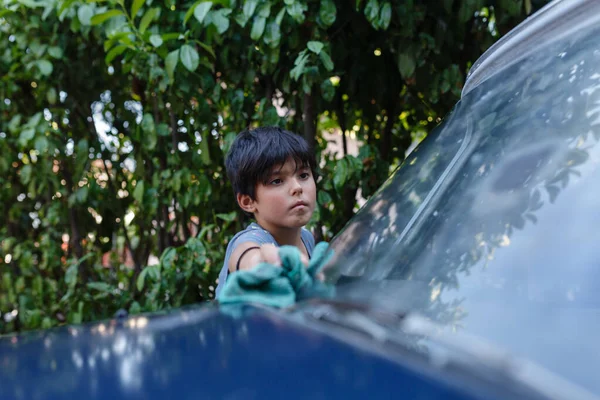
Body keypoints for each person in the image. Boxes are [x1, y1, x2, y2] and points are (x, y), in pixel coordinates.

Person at [214, 126, 318, 297]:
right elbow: (244, 256)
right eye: (277, 181)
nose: (297, 187)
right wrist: (261, 263)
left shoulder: (306, 238)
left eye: (303, 175)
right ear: (248, 202)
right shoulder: (250, 240)